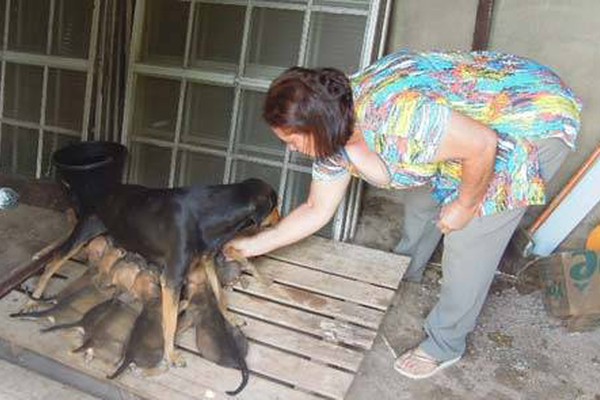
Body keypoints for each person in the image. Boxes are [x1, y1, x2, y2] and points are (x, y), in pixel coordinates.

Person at [226, 50, 582, 379]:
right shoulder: (333, 130)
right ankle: (406, 268)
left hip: (531, 116)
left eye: (293, 141)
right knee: (422, 192)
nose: (291, 151)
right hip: (474, 113)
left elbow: (482, 144)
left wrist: (464, 206)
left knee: (469, 235)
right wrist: (248, 248)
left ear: (319, 125)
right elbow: (317, 209)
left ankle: (445, 343)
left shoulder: (397, 115)